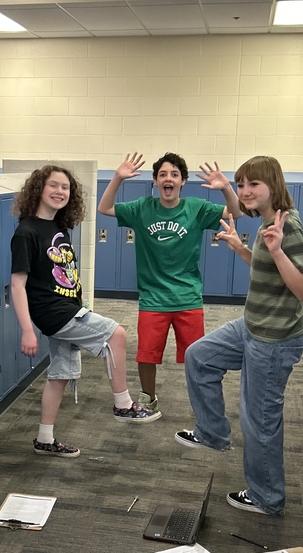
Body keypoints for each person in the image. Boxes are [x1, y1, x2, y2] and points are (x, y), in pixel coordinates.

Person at [175, 155, 303, 517]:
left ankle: (267, 497)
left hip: (274, 339)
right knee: (199, 355)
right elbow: (268, 269)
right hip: (253, 324)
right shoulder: (269, 218)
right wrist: (242, 248)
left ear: (274, 185)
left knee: (260, 419)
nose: (245, 192)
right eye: (241, 185)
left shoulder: (289, 226)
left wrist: (278, 250)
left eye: (253, 184)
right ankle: (213, 432)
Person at [11, 163, 160, 459]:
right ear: (39, 189)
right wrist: (27, 329)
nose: (60, 191)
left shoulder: (58, 227)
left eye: (65, 187)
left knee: (60, 375)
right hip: (52, 312)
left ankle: (45, 438)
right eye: (53, 185)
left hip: (67, 307)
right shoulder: (26, 232)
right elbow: (17, 284)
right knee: (116, 334)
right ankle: (122, 404)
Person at [98, 152, 242, 412]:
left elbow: (237, 212)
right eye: (163, 174)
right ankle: (148, 399)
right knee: (146, 354)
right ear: (155, 181)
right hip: (153, 297)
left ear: (183, 181)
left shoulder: (196, 208)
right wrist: (118, 177)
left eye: (174, 175)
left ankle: (202, 404)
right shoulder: (142, 208)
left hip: (188, 296)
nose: (168, 179)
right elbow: (105, 208)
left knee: (197, 356)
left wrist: (226, 189)